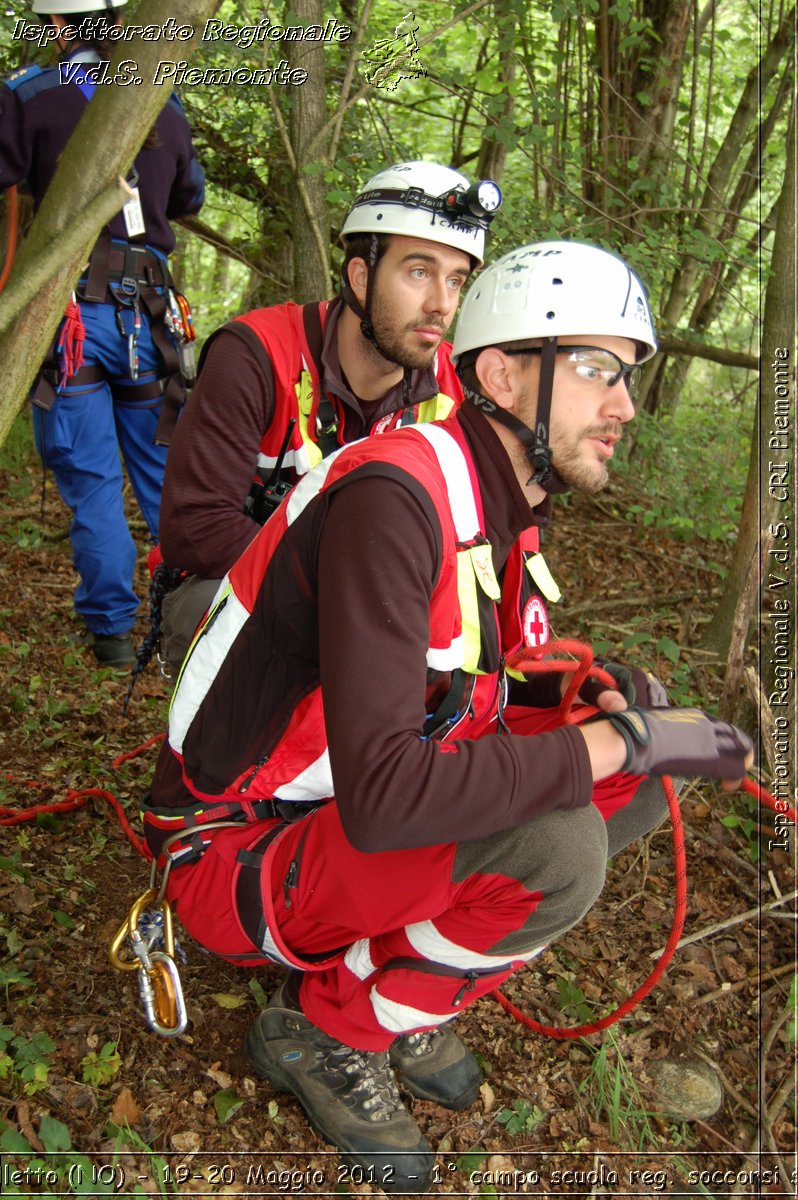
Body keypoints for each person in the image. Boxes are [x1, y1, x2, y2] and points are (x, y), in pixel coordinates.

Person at [142, 240, 753, 1192]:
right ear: (503, 374)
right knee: (562, 844)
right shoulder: (398, 496)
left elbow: (467, 688)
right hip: (233, 846)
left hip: (332, 802)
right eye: (596, 370)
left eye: (628, 376)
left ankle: (380, 987)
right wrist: (604, 740)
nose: (624, 406)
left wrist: (599, 705)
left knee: (643, 767)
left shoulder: (502, 503)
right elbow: (389, 795)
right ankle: (328, 1026)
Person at [155, 160, 502, 675]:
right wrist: (353, 592)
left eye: (455, 280)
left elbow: (483, 547)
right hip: (248, 592)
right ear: (360, 277)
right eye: (420, 272)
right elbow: (196, 529)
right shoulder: (257, 355)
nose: (441, 304)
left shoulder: (456, 392)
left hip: (388, 610)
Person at [0, 0, 205, 666]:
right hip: (150, 316)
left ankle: (114, 635)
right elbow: (187, 198)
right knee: (163, 478)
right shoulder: (162, 104)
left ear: (60, 26)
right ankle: (193, 624)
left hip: (73, 320)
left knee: (91, 482)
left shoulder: (30, 94)